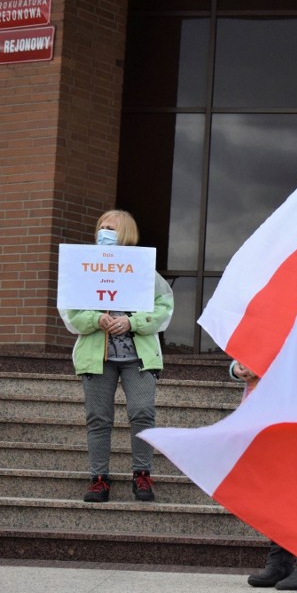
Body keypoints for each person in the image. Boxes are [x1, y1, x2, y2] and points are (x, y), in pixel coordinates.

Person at [59, 209, 174, 503]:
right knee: (98, 419)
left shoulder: (145, 269)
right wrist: (97, 320)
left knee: (142, 413)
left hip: (139, 358)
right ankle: (99, 480)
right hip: (98, 358)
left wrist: (133, 322)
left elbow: (164, 305)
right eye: (101, 227)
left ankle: (142, 475)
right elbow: (72, 311)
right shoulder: (86, 266)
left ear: (125, 233)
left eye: (110, 227)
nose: (103, 232)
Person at [228, 359, 297, 591]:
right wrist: (237, 367)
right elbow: (253, 345)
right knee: (279, 489)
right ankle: (281, 561)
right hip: (266, 409)